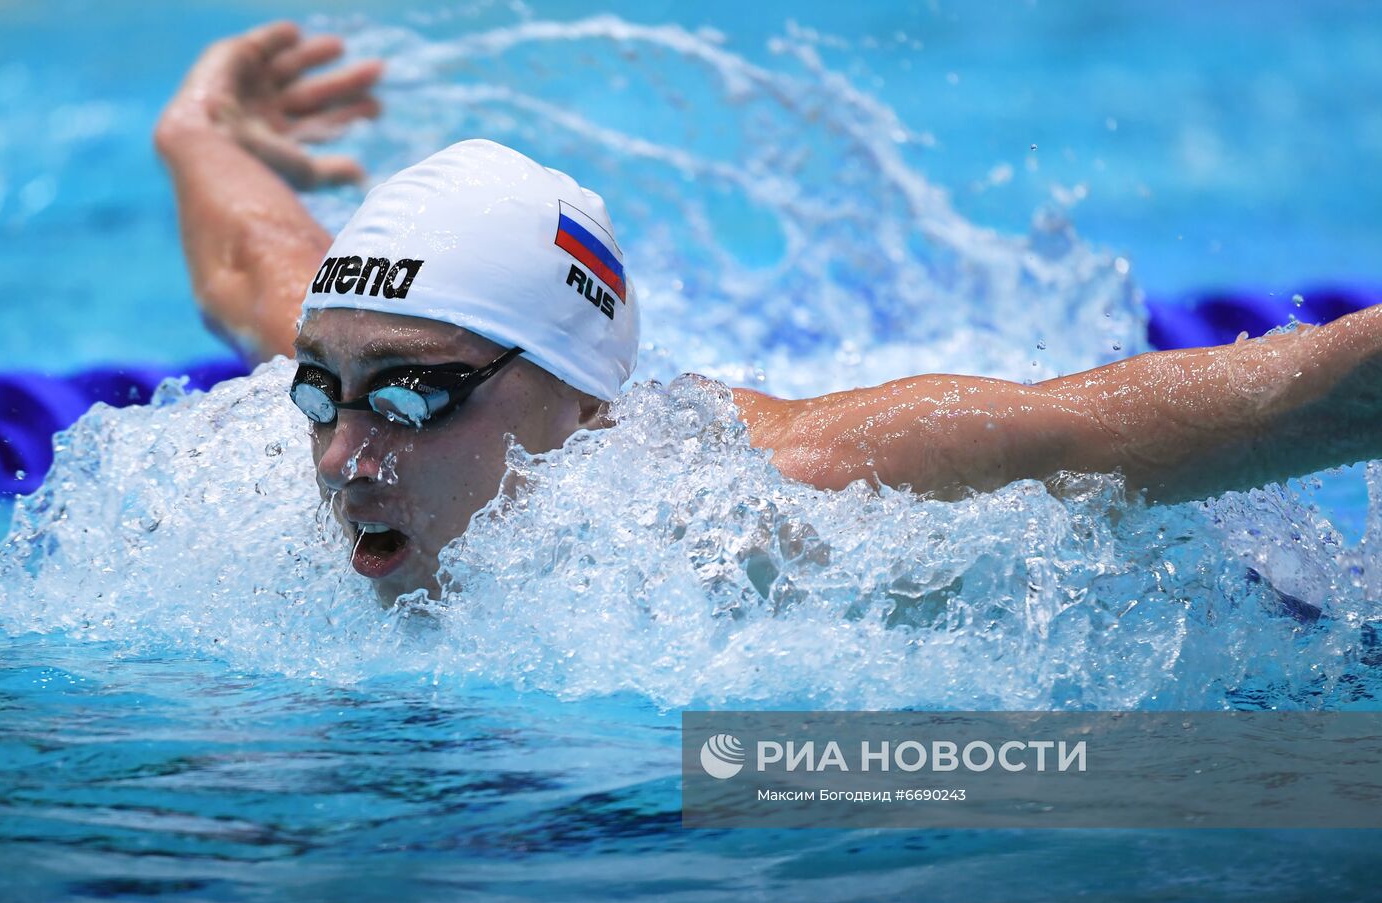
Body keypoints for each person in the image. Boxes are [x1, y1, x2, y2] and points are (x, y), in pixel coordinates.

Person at [156, 22, 1382, 605]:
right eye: (316, 391)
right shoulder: (365, 359)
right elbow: (257, 261)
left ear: (584, 399)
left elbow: (1248, 402)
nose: (342, 455)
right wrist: (198, 129)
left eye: (415, 396)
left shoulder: (783, 490)